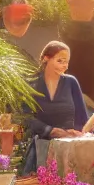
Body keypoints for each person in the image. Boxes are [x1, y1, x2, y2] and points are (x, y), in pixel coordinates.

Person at [20, 41, 87, 172]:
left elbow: (82, 117)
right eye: (60, 61)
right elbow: (25, 117)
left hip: (69, 147)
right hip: (40, 145)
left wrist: (77, 131)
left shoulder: (71, 82)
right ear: (46, 59)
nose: (65, 66)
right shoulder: (31, 83)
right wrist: (50, 130)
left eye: (67, 62)